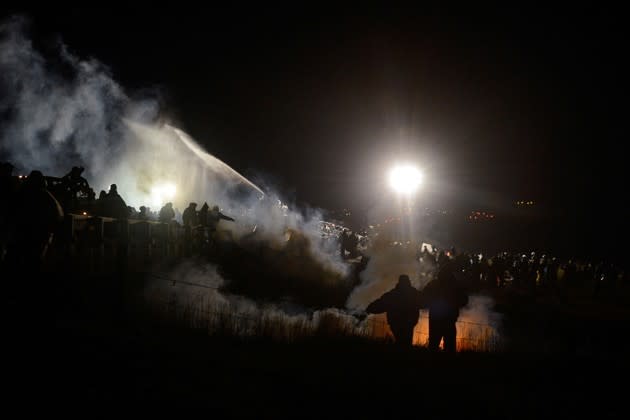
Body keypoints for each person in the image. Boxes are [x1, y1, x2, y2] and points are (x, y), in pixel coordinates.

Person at [421, 260, 469, 352]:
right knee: (450, 346)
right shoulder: (455, 285)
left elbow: (424, 298)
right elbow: (464, 300)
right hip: (449, 319)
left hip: (435, 319)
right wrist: (455, 304)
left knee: (433, 345)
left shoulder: (433, 284)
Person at [366, 274, 424, 347]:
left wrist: (369, 308)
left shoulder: (393, 294)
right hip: (409, 323)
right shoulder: (414, 294)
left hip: (396, 323)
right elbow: (423, 302)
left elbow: (381, 303)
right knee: (407, 342)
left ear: (399, 282)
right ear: (409, 282)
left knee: (399, 341)